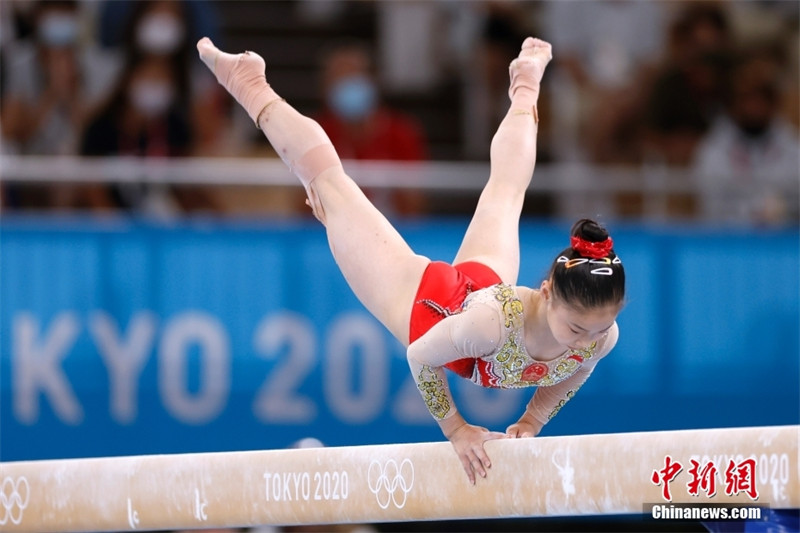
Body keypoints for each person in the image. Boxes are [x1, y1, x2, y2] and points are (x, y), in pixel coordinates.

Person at [196, 36, 625, 485]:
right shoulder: (492, 323)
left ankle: (525, 85)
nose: (584, 342)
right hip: (427, 304)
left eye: (596, 330)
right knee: (329, 184)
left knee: (507, 188)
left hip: (483, 284)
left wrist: (533, 420)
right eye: (576, 329)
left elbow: (574, 372)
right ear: (548, 292)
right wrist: (456, 429)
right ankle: (249, 83)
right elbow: (421, 357)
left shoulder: (600, 335)